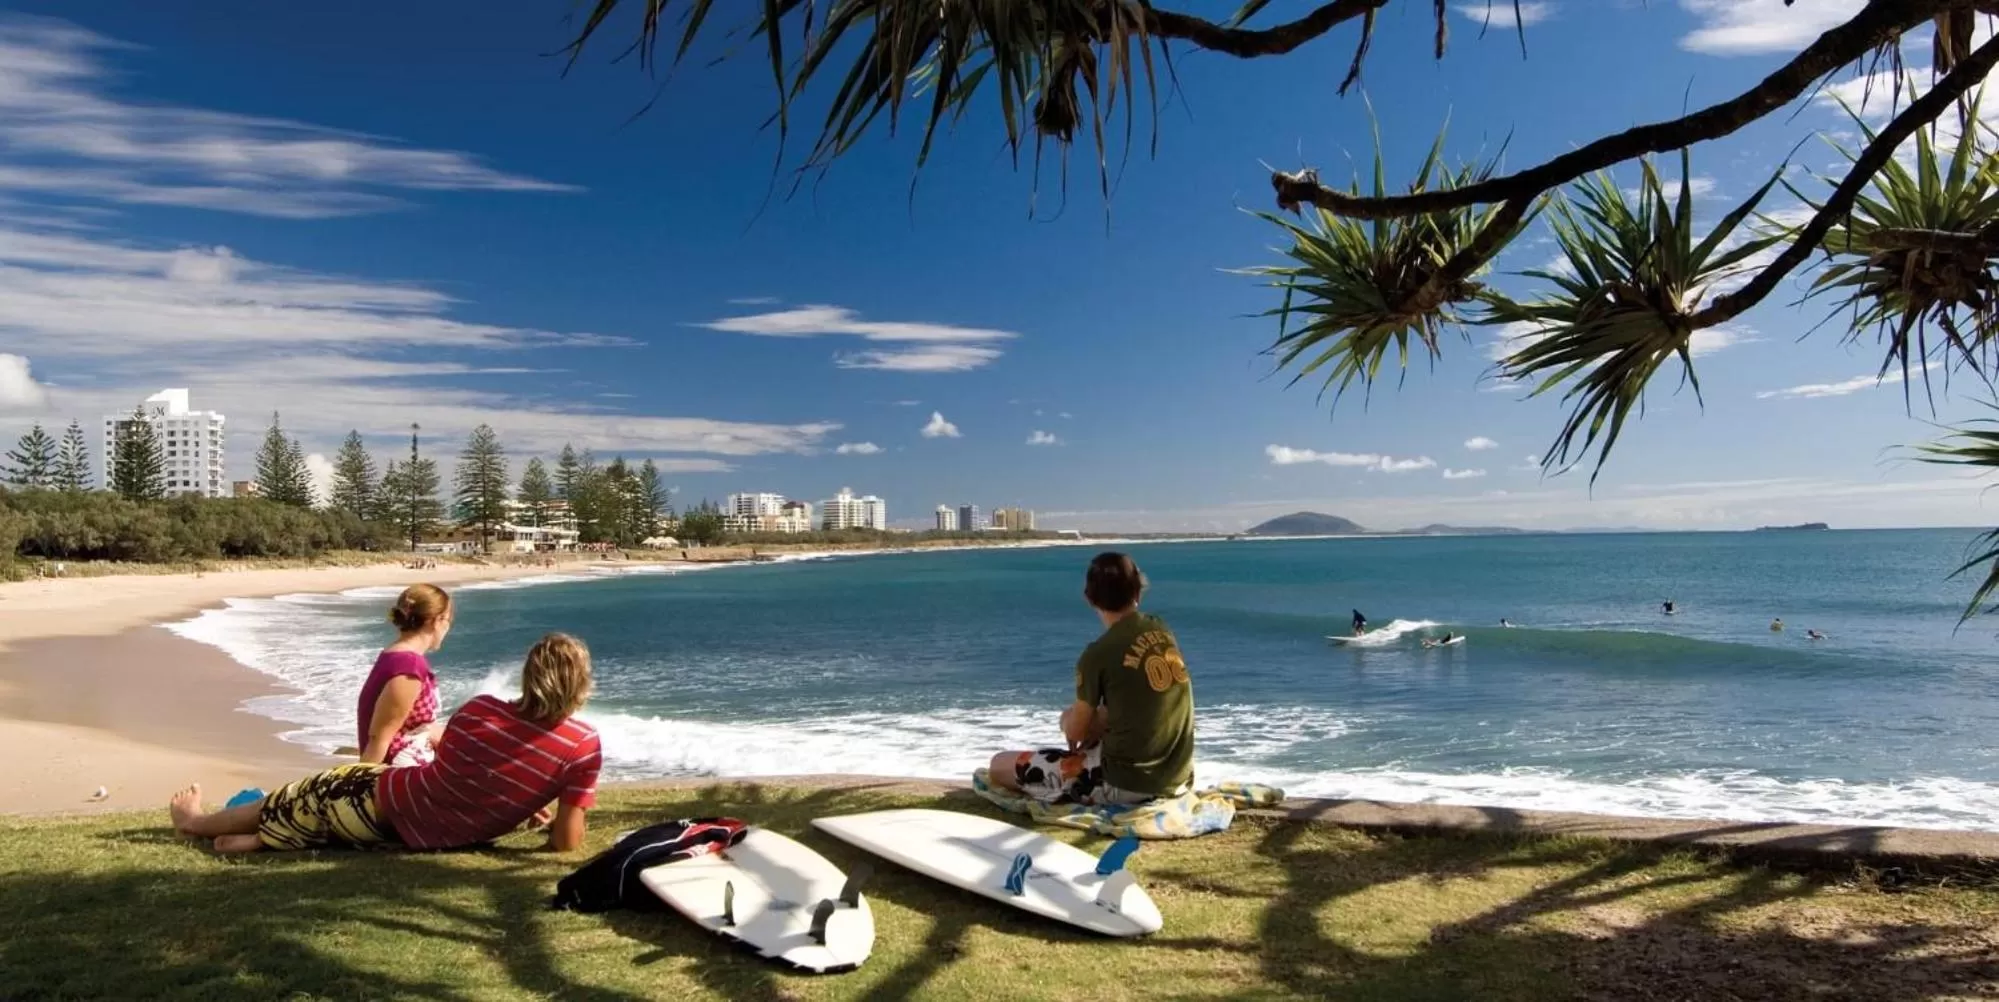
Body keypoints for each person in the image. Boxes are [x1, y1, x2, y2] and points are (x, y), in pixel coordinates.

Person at [168, 632, 603, 855]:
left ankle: (197, 823)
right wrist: (519, 803)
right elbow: (565, 842)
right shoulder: (582, 746)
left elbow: (449, 776)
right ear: (582, 684)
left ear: (530, 676)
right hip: (424, 837)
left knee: (297, 797)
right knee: (325, 816)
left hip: (382, 804)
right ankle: (253, 838)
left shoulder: (481, 710)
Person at [988, 552, 1194, 806]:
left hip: (1127, 784)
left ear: (1089, 598)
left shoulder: (1098, 654)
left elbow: (1076, 730)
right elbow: (1131, 700)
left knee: (999, 765)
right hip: (1177, 778)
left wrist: (1066, 720)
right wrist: (1098, 721)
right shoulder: (1160, 628)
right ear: (1138, 592)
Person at [357, 584, 452, 767]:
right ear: (436, 621)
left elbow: (409, 725)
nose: (448, 628)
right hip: (401, 778)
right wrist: (359, 787)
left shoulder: (393, 656)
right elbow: (379, 739)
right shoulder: (410, 667)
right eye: (447, 621)